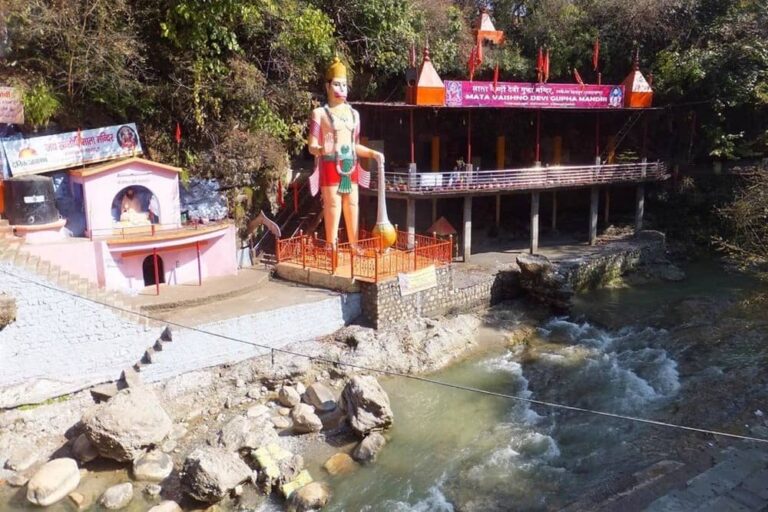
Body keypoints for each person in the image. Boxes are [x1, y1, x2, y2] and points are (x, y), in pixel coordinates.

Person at [307, 57, 384, 248]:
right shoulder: (320, 114)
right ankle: (331, 245)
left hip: (350, 163)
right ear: (327, 86)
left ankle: (354, 244)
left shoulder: (354, 114)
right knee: (333, 204)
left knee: (352, 204)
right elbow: (311, 145)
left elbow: (354, 144)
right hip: (330, 163)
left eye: (344, 85)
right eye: (337, 84)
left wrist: (373, 154)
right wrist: (320, 149)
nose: (341, 89)